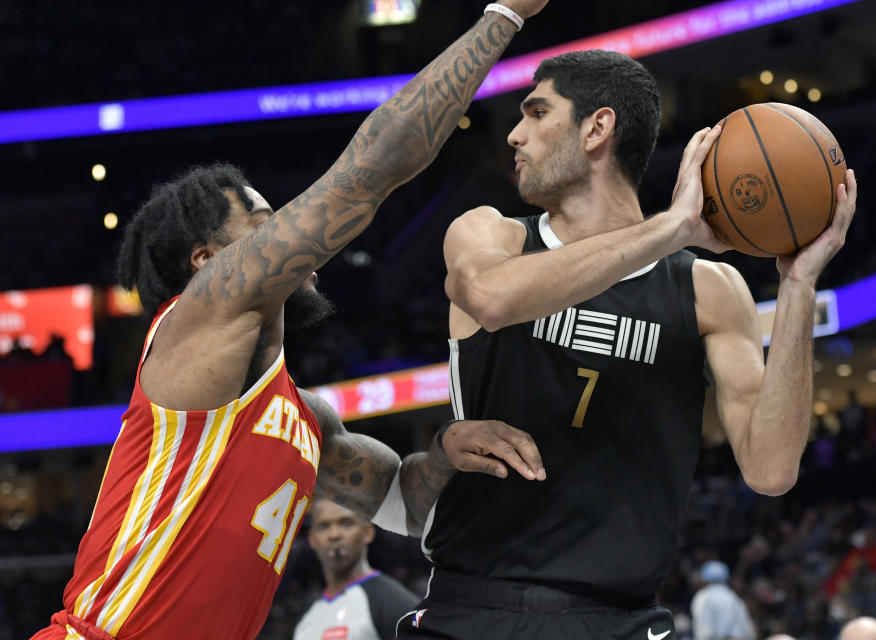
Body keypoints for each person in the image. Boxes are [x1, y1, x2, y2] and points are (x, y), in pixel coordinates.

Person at [29, 3, 551, 639]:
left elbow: (408, 504)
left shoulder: (306, 419)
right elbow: (369, 174)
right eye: (262, 221)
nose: (284, 230)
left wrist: (444, 449)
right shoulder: (198, 314)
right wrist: (504, 14)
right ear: (210, 261)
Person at [401, 49, 858, 639]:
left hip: (620, 617)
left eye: (536, 112)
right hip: (473, 608)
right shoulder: (492, 233)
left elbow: (771, 470)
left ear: (598, 127)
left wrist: (798, 284)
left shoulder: (708, 287)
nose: (514, 135)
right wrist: (672, 228)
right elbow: (489, 297)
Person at [293, 499, 419, 640]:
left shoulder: (394, 602)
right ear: (312, 539)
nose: (334, 534)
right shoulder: (307, 613)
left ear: (367, 532)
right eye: (324, 526)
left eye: (346, 523)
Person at [690, 561, 756, 640]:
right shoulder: (733, 596)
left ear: (704, 579)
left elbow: (702, 630)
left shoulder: (702, 596)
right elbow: (748, 630)